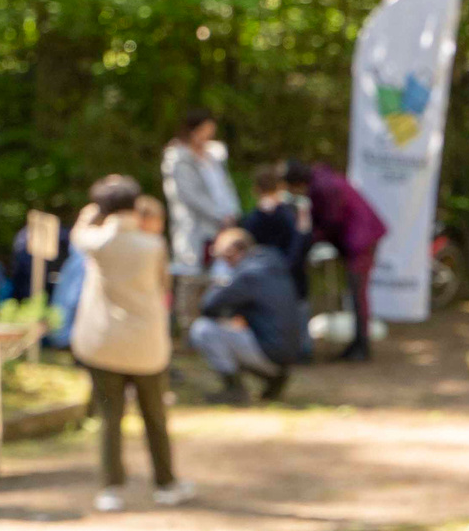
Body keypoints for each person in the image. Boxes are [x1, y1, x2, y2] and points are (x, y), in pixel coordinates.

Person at [72, 175, 194, 511]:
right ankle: (166, 482)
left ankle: (111, 487)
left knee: (110, 417)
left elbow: (78, 234)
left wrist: (90, 213)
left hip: (103, 344)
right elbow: (163, 285)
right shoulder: (152, 245)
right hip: (146, 347)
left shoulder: (96, 242)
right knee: (155, 416)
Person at [283, 160, 388, 361]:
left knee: (358, 292)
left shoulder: (323, 186)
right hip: (361, 238)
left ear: (297, 182)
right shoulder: (322, 180)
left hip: (361, 241)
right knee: (356, 292)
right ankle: (358, 343)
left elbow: (329, 221)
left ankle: (361, 345)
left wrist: (307, 241)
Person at [190, 228, 309, 403]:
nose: (224, 263)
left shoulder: (248, 274)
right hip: (288, 353)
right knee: (237, 325)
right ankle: (274, 378)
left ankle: (234, 389)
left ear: (232, 252)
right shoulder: (272, 263)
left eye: (223, 258)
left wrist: (220, 281)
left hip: (271, 352)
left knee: (203, 329)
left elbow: (209, 305)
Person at [161, 109, 241, 332]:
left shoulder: (214, 156)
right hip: (195, 228)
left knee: (217, 276)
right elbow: (189, 195)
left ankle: (211, 324)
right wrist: (217, 215)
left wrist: (232, 213)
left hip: (222, 226)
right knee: (191, 276)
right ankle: (188, 328)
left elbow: (225, 187)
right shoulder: (178, 158)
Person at [239, 165, 314, 301]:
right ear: (280, 187)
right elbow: (305, 241)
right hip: (294, 284)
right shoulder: (295, 213)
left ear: (255, 190)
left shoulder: (249, 220)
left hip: (263, 287)